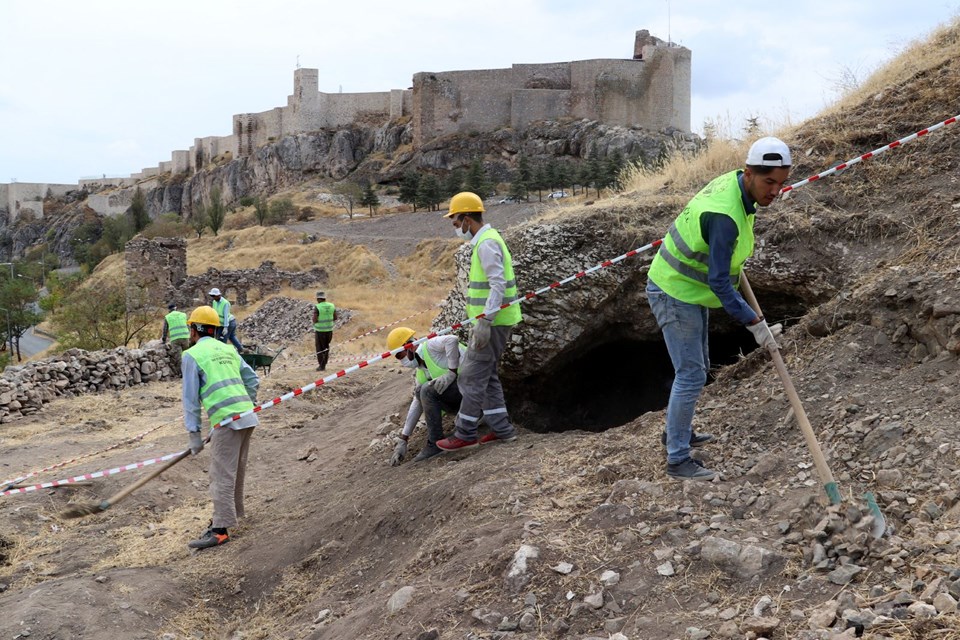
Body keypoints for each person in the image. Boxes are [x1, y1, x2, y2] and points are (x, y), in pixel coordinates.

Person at [646, 136, 790, 481]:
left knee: (699, 367)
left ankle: (676, 432)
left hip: (690, 291)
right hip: (674, 290)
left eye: (782, 183)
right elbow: (720, 283)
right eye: (769, 182)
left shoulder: (737, 187)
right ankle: (678, 459)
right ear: (749, 174)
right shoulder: (724, 216)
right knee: (691, 373)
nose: (775, 191)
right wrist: (756, 323)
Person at [436, 192, 521, 452]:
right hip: (492, 321)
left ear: (466, 219)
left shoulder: (486, 243)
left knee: (470, 378)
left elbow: (496, 285)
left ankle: (465, 433)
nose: (455, 228)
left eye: (455, 222)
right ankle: (502, 429)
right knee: (487, 375)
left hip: (492, 324)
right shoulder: (485, 240)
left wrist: (485, 321)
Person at [181, 305, 260, 549]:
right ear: (215, 330)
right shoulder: (228, 350)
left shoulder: (192, 355)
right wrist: (246, 404)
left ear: (194, 330)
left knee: (221, 475)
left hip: (228, 421)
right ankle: (232, 515)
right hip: (246, 416)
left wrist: (194, 433)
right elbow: (252, 380)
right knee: (236, 470)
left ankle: (220, 530)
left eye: (190, 329)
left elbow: (191, 399)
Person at [387, 327, 466, 465]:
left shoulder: (430, 345)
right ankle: (467, 417)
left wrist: (452, 372)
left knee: (426, 390)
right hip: (464, 396)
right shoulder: (422, 371)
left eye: (399, 355)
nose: (401, 361)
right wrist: (404, 439)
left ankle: (435, 444)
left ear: (409, 346)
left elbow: (452, 340)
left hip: (477, 387)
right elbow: (418, 402)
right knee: (420, 391)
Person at [209, 287, 244, 352]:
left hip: (229, 323)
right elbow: (214, 313)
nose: (213, 297)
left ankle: (222, 353)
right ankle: (241, 349)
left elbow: (225, 316)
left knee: (222, 340)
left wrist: (225, 327)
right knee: (231, 337)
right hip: (221, 324)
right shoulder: (214, 302)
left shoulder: (225, 303)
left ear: (219, 295)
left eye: (214, 296)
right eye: (212, 296)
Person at [161, 302, 190, 376]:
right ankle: (190, 371)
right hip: (185, 337)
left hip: (175, 339)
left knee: (178, 357)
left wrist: (163, 340)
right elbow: (188, 326)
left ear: (169, 310)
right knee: (187, 354)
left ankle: (182, 373)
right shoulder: (183, 315)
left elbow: (165, 330)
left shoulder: (168, 317)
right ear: (176, 308)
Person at [312, 291, 338, 371]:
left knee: (320, 348)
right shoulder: (331, 305)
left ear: (318, 299)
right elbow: (335, 317)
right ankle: (324, 364)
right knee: (326, 347)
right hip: (329, 330)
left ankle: (321, 366)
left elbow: (315, 320)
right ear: (324, 298)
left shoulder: (318, 307)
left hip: (320, 331)